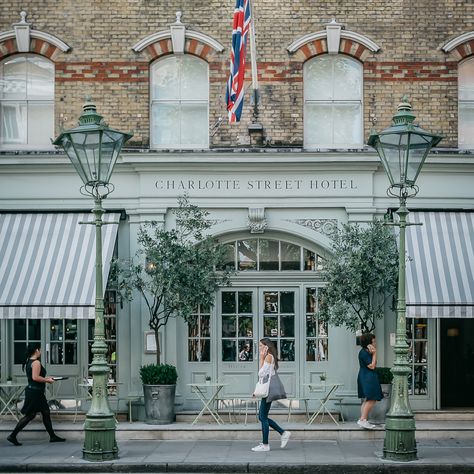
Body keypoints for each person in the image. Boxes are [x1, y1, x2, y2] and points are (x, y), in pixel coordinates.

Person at [7, 343, 66, 446]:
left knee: (45, 412)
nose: (41, 351)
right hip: (35, 392)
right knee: (31, 415)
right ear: (37, 350)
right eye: (41, 349)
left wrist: (47, 377)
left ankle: (52, 436)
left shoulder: (29, 361)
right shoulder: (36, 363)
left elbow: (36, 376)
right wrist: (47, 380)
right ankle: (12, 435)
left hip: (34, 391)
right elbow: (35, 377)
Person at [251, 338, 291, 452]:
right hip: (267, 389)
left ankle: (266, 444)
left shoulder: (268, 357)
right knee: (262, 416)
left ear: (266, 346)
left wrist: (261, 358)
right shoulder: (270, 356)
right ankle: (283, 433)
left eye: (260, 346)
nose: (259, 348)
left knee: (262, 417)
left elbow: (261, 373)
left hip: (268, 390)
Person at [357, 333, 383, 430]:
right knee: (372, 399)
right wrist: (375, 353)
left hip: (367, 376)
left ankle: (362, 419)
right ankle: (363, 419)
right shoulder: (364, 353)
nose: (375, 343)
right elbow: (372, 366)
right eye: (374, 341)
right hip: (367, 377)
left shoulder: (365, 352)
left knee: (368, 399)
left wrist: (373, 354)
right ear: (369, 343)